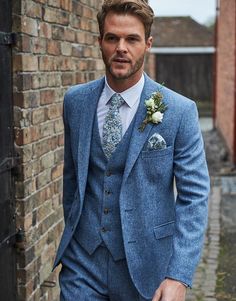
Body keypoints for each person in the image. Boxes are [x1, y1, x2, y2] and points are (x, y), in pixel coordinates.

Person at [53, 1, 210, 300]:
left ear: (148, 44)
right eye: (112, 38)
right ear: (100, 41)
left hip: (147, 267)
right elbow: (72, 179)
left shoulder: (179, 111)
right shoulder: (75, 102)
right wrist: (79, 235)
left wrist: (178, 274)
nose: (121, 47)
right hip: (82, 264)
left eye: (132, 39)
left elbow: (194, 197)